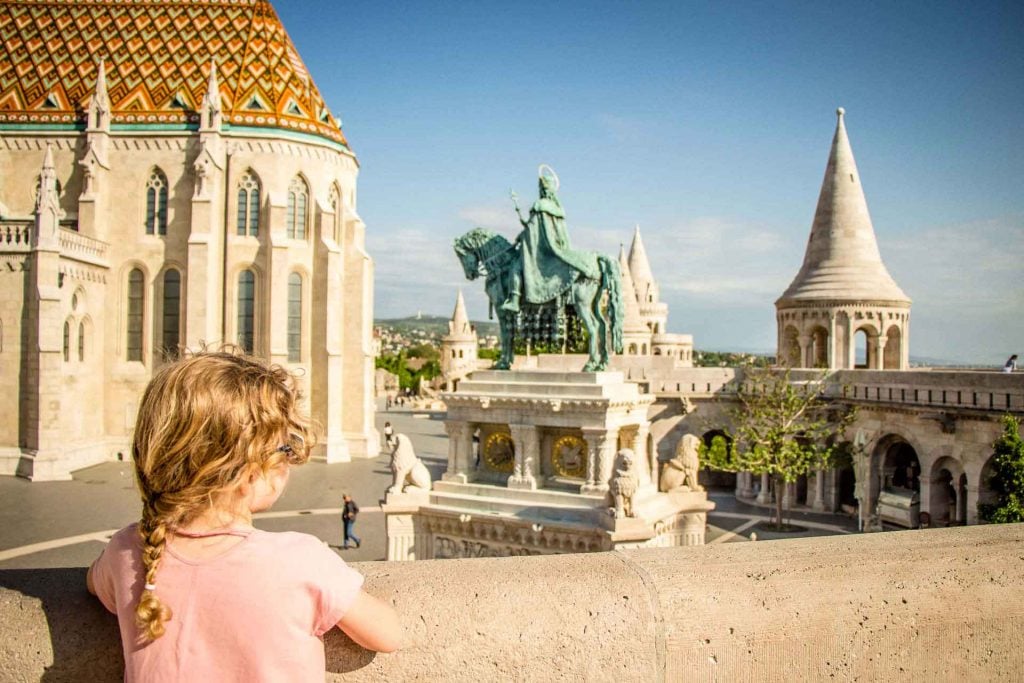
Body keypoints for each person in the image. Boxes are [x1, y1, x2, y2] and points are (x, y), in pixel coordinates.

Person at [86, 352, 400, 680]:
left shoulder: (126, 550)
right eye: (285, 450)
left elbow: (95, 583)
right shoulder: (299, 560)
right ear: (251, 472)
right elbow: (388, 634)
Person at [502, 166, 598, 313]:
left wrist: (522, 235)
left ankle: (514, 301)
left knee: (515, 267)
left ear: (542, 189)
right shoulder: (557, 209)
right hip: (557, 248)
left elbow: (532, 230)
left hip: (540, 251)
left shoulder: (539, 205)